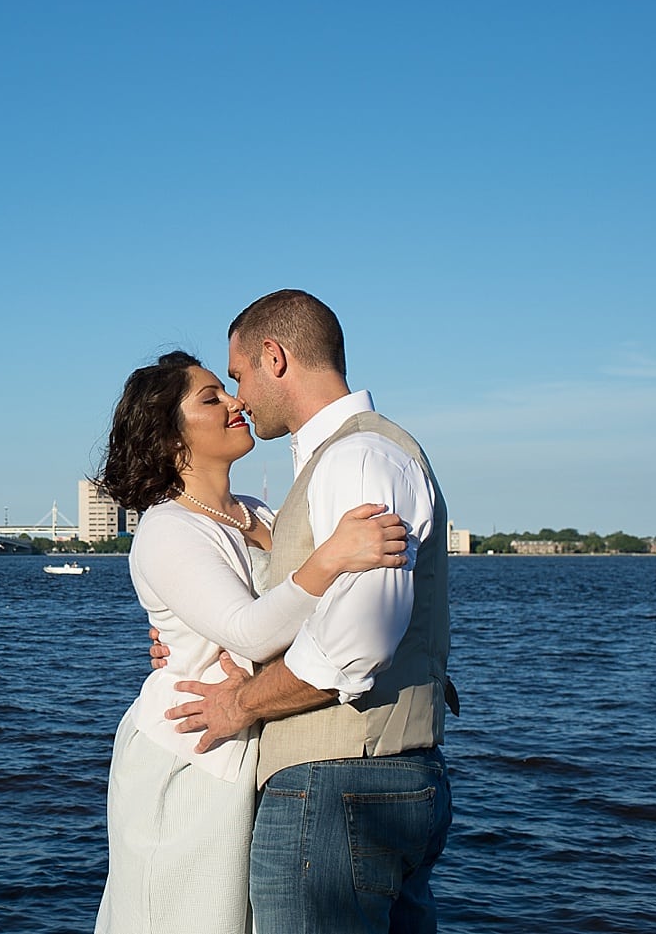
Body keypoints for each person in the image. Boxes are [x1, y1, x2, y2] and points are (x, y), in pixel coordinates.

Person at [162, 290, 454, 934]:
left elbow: (358, 639)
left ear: (275, 357)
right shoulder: (346, 459)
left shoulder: (357, 457)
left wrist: (238, 704)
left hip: (339, 787)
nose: (238, 397)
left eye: (237, 376)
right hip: (381, 784)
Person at [92, 350, 410, 934]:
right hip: (191, 751)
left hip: (251, 747)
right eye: (211, 399)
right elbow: (248, 629)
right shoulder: (168, 528)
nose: (236, 402)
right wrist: (330, 558)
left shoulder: (261, 512)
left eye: (228, 391)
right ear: (170, 438)